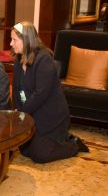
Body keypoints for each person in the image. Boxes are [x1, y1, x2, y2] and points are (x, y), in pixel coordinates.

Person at [10, 21, 89, 163]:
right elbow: (15, 88)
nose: (11, 43)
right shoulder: (18, 59)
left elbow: (41, 94)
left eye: (14, 40)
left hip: (51, 117)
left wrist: (23, 112)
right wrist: (18, 111)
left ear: (26, 40)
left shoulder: (43, 59)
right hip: (32, 113)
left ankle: (73, 144)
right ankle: (55, 140)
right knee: (25, 150)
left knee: (40, 156)